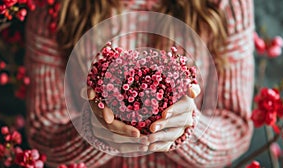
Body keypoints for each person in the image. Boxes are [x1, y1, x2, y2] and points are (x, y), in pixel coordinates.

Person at [24, 0, 255, 167]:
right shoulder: (53, 6)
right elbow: (43, 133)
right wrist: (90, 132)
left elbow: (236, 128)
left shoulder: (227, 4)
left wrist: (187, 129)